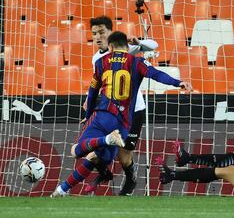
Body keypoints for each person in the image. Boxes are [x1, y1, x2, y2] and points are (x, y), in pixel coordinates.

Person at [51, 31, 192, 197]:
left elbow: (92, 94)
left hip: (102, 116)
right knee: (97, 157)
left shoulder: (101, 62)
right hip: (123, 124)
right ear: (127, 47)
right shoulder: (137, 61)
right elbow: (156, 74)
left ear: (110, 47)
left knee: (76, 151)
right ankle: (62, 190)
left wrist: (89, 116)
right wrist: (178, 82)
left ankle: (104, 141)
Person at [83, 16, 158, 196]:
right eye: (94, 34)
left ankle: (131, 179)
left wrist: (139, 42)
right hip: (111, 112)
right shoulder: (96, 59)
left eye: (102, 32)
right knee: (91, 151)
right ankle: (105, 173)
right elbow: (100, 83)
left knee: (124, 158)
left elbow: (154, 46)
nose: (98, 37)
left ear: (110, 33)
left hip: (134, 111)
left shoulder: (126, 49)